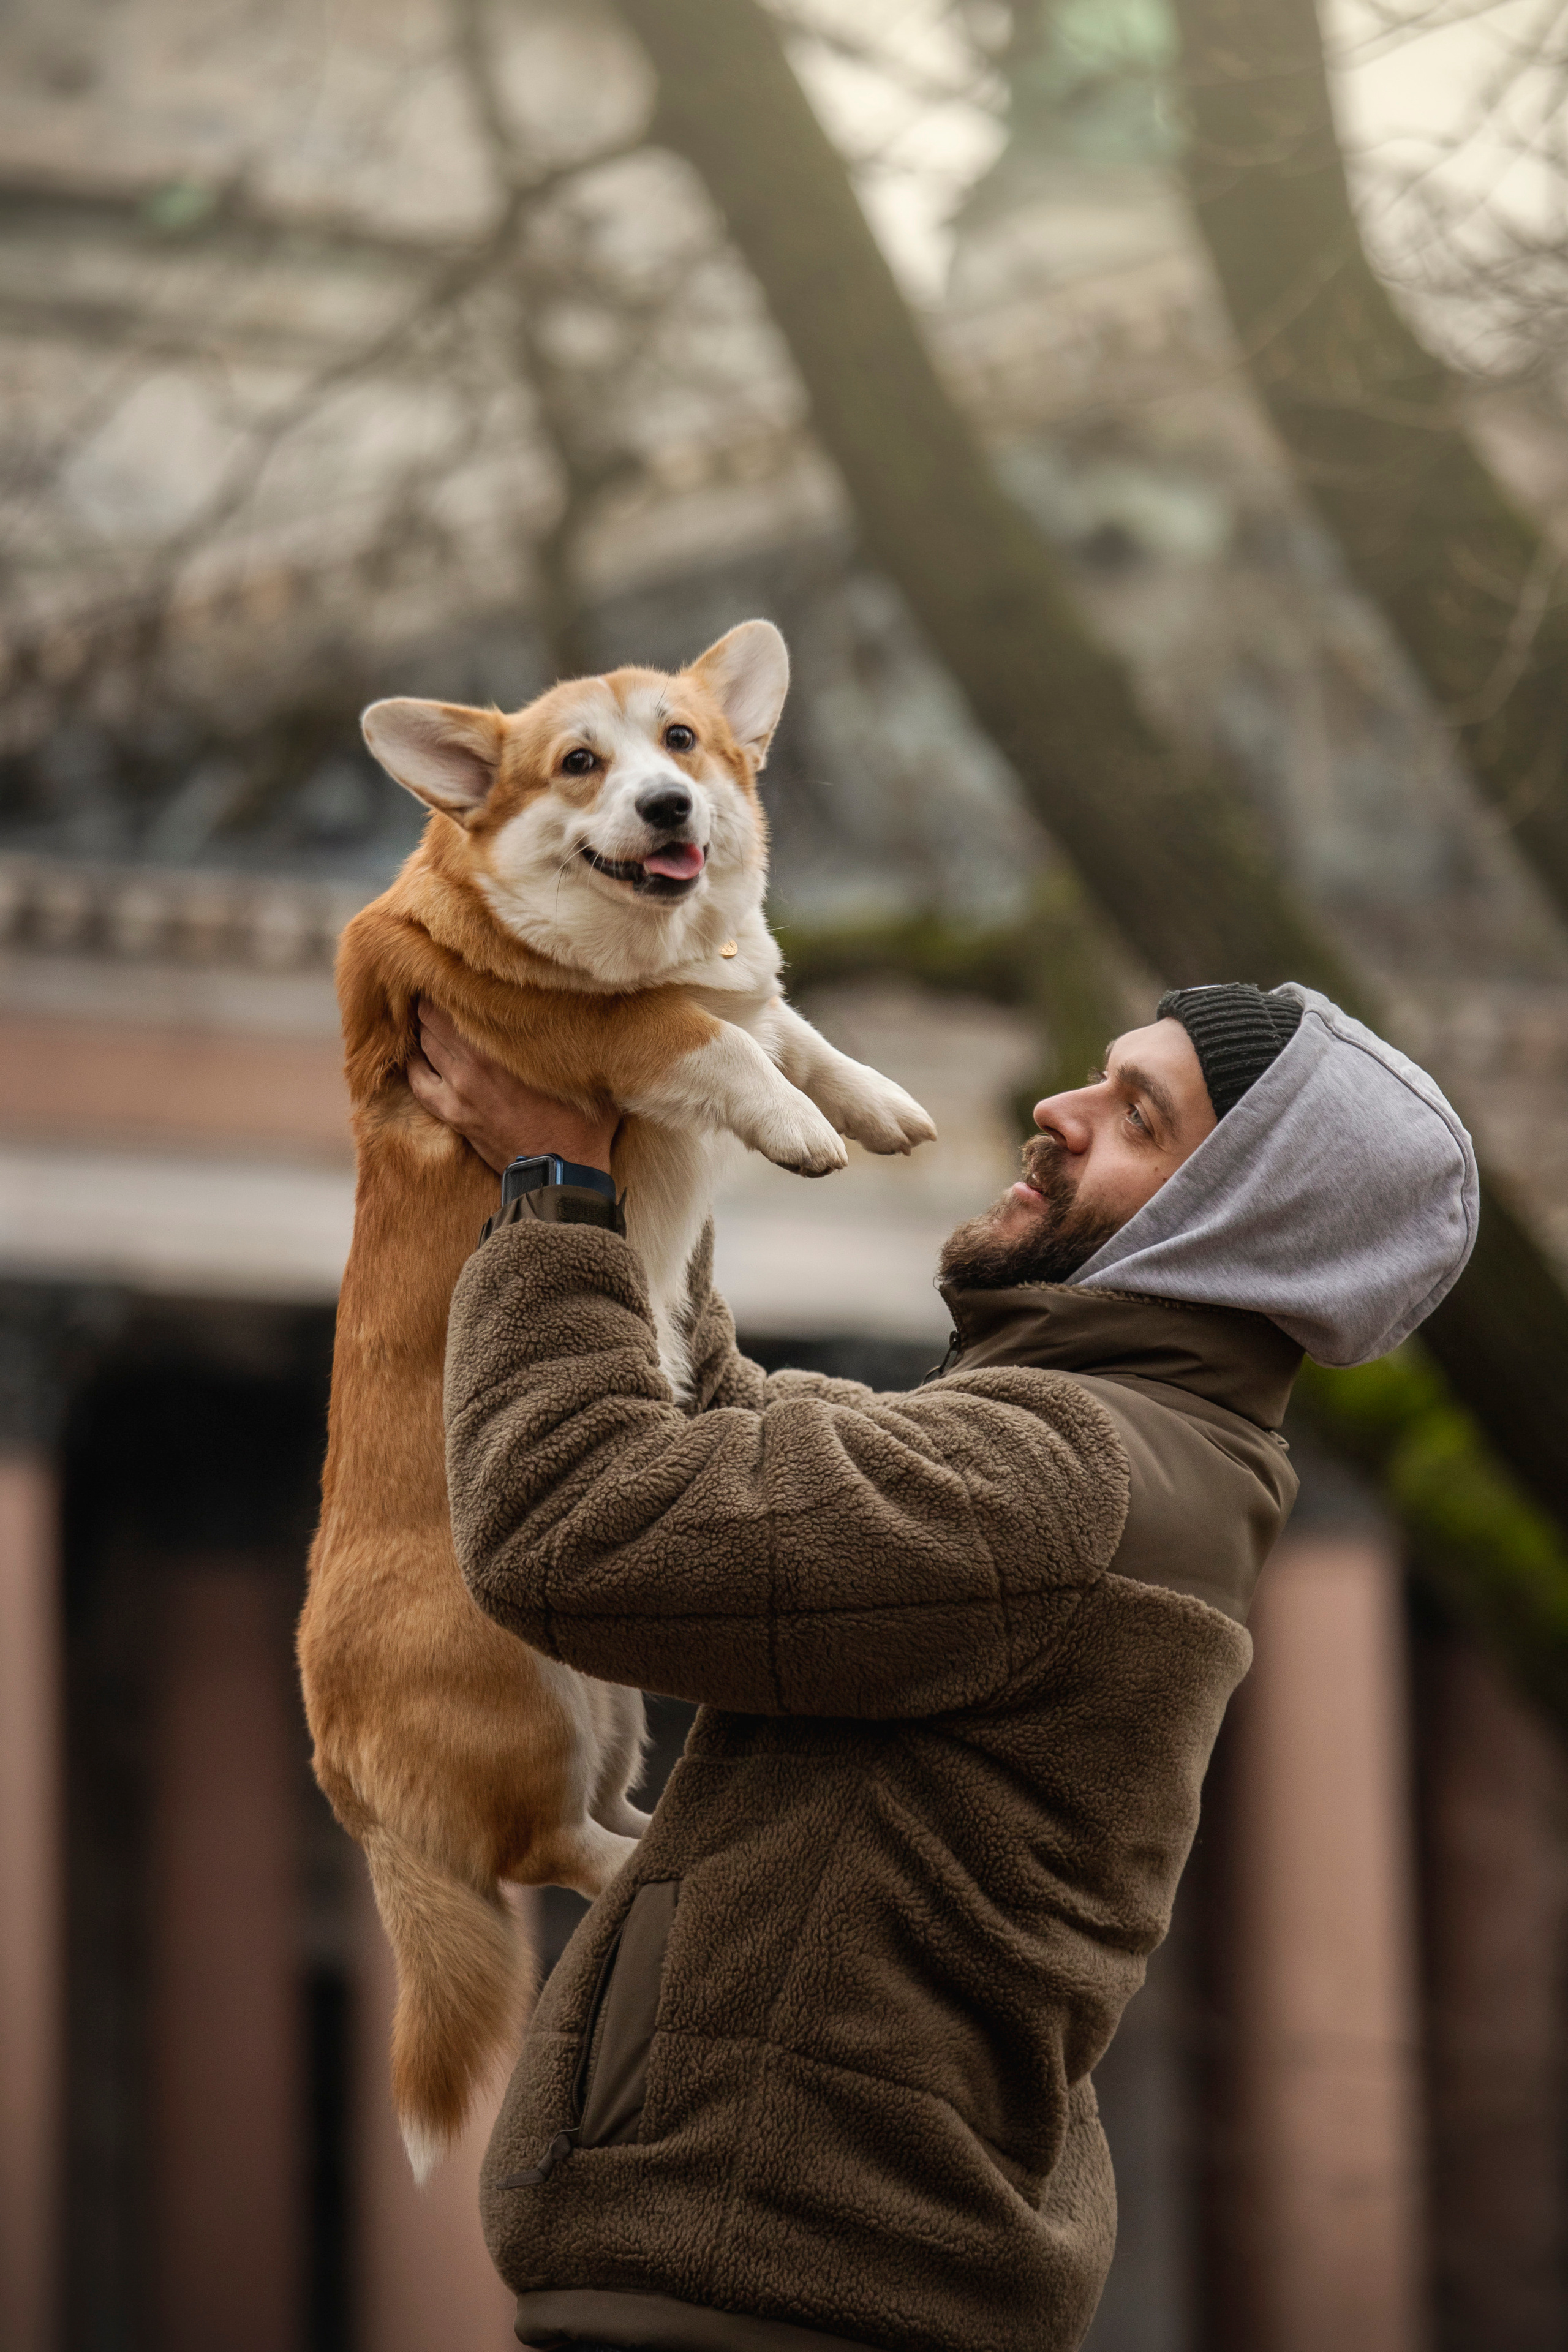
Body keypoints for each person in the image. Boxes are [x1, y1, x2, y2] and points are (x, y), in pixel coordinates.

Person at [408, 980, 1476, 2352]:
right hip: (798, 2280)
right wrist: (634, 1147)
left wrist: (557, 1186)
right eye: (1099, 1078)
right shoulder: (1122, 1453)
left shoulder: (1066, 1475)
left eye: (1137, 1117)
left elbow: (574, 1522)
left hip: (772, 2291)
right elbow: (726, 1435)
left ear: (1238, 1224)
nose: (1059, 1111)